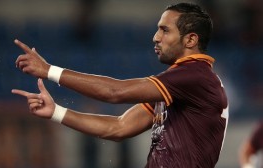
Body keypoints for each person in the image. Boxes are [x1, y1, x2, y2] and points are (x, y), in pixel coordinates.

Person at [12, 2, 229, 168]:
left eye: (165, 30)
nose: (156, 37)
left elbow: (115, 92)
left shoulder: (194, 76)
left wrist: (49, 70)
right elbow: (119, 127)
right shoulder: (178, 84)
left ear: (190, 40)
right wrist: (56, 112)